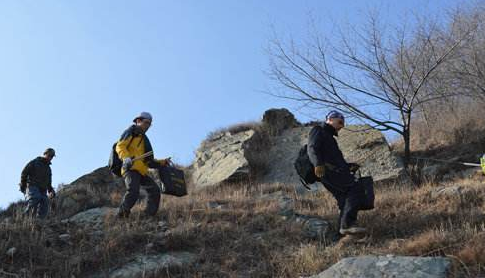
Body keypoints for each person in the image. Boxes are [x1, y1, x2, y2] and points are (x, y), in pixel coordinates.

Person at [307, 111, 365, 235]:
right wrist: (317, 164)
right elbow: (312, 147)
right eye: (340, 122)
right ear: (330, 119)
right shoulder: (318, 130)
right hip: (327, 172)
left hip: (336, 172)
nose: (342, 126)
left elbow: (335, 159)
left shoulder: (330, 137)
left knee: (344, 200)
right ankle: (347, 225)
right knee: (354, 189)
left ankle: (341, 233)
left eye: (343, 124)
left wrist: (348, 167)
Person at [116, 112, 171, 218]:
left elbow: (149, 161)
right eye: (146, 123)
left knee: (155, 191)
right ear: (138, 121)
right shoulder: (131, 132)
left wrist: (163, 162)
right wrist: (125, 157)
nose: (148, 126)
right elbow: (120, 145)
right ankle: (121, 216)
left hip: (141, 171)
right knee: (133, 191)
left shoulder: (144, 140)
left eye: (149, 124)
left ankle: (148, 215)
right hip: (130, 168)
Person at [20, 148, 56, 219]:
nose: (50, 158)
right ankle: (24, 218)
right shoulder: (35, 162)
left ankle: (39, 222)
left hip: (43, 190)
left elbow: (48, 182)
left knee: (45, 203)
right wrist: (23, 184)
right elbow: (24, 172)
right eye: (49, 155)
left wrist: (51, 190)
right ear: (45, 154)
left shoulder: (48, 169)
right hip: (32, 186)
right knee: (35, 199)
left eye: (52, 156)